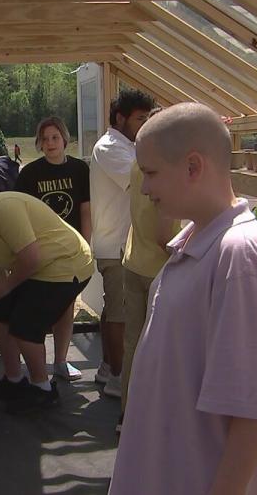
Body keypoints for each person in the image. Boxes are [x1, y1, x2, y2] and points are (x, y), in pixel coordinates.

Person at [110, 103, 257, 495]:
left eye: (151, 173)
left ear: (192, 167)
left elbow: (253, 413)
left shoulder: (240, 258)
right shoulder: (198, 245)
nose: (144, 188)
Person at [0, 192, 93, 414]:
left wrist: (7, 286)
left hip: (67, 263)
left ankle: (43, 389)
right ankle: (14, 381)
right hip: (39, 268)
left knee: (25, 326)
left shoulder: (3, 210)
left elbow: (31, 258)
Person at [15, 116, 91, 381]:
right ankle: (32, 368)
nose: (50, 143)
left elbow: (85, 211)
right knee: (36, 306)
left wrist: (86, 245)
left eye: (55, 137)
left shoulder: (80, 170)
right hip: (39, 251)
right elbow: (20, 213)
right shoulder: (30, 174)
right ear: (39, 143)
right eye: (45, 139)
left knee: (66, 306)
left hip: (70, 251)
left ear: (65, 139)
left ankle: (60, 361)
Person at [89, 88, 154, 397]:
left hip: (117, 243)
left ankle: (107, 367)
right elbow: (141, 184)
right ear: (120, 118)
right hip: (115, 245)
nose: (145, 124)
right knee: (120, 315)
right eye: (141, 118)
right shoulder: (111, 148)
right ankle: (118, 376)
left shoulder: (124, 146)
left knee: (113, 310)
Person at [118, 140, 179, 431]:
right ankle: (151, 421)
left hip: (134, 261)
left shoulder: (136, 166)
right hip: (158, 269)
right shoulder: (166, 172)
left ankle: (127, 414)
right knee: (161, 350)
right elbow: (165, 235)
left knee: (133, 344)